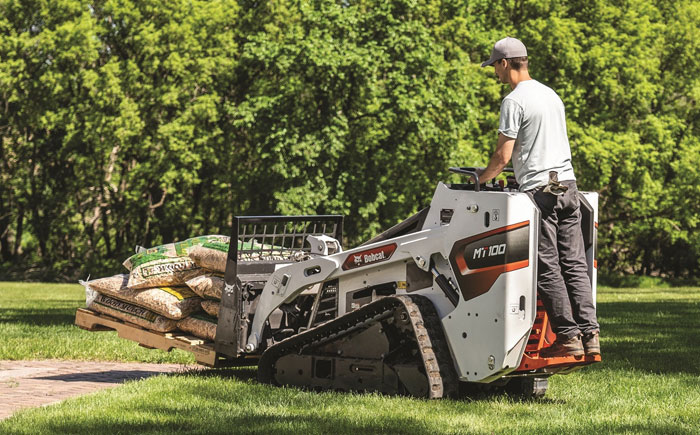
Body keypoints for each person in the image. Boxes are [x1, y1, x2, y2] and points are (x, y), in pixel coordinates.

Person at [478, 37, 600, 358]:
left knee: (546, 266)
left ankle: (568, 337)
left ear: (505, 63)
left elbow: (502, 156)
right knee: (574, 263)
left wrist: (481, 178)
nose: (495, 73)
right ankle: (591, 335)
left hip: (540, 193)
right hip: (567, 186)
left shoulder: (514, 100)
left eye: (495, 66)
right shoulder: (551, 95)